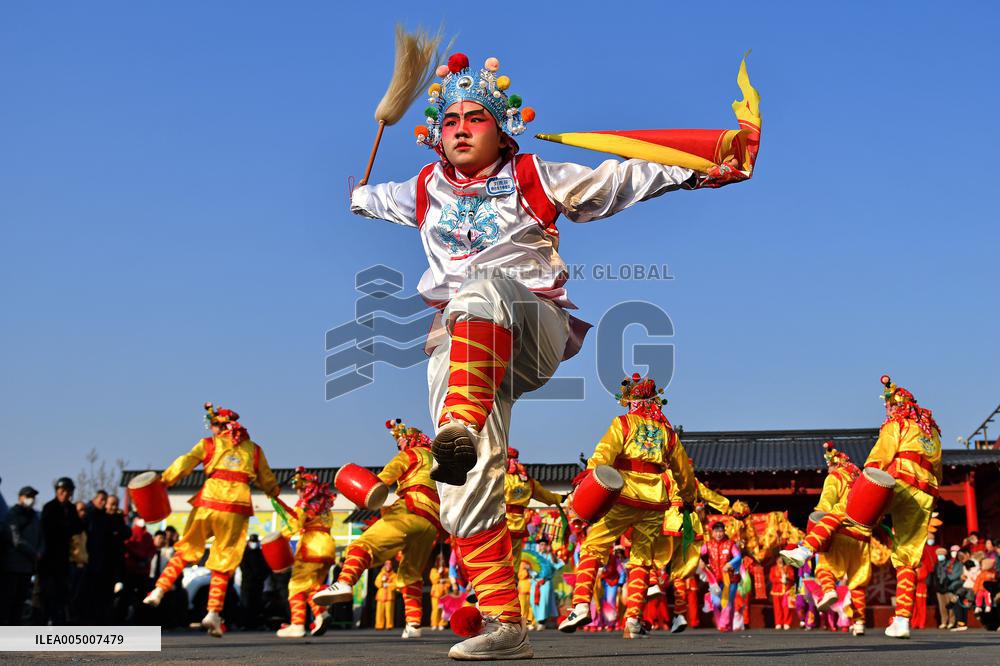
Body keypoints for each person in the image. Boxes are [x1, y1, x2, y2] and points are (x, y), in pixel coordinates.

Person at [348, 48, 747, 660]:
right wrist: (360, 195)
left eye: (475, 118)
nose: (460, 129)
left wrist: (697, 167)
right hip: (460, 346)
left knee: (482, 286)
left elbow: (616, 179)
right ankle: (506, 628)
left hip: (530, 324)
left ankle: (460, 424)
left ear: (500, 128)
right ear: (435, 135)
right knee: (460, 488)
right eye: (450, 121)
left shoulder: (534, 174)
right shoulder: (422, 187)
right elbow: (371, 198)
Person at [782, 376, 942, 639]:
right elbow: (938, 469)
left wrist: (865, 485)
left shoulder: (898, 423)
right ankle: (902, 620)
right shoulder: (932, 432)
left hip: (899, 481)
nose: (887, 410)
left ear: (896, 405)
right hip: (925, 494)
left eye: (888, 405)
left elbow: (879, 457)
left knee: (842, 511)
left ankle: (805, 549)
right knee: (907, 556)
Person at [560, 375, 696, 639]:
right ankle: (633, 619)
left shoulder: (623, 423)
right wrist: (689, 498)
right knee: (642, 558)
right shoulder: (667, 432)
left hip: (623, 496)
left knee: (593, 547)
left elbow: (603, 454)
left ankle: (580, 606)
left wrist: (588, 479)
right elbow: (684, 472)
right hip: (655, 500)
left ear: (631, 400)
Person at [142, 403, 282, 637]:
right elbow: (267, 480)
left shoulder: (209, 444)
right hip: (235, 508)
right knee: (224, 560)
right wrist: (274, 491)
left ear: (222, 426)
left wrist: (164, 480)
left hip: (208, 502)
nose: (211, 429)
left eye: (214, 425)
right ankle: (213, 612)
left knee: (187, 548)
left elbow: (185, 462)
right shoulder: (254, 450)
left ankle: (159, 590)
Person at [313, 419, 440, 640]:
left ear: (409, 440)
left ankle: (344, 582)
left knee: (362, 545)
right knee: (410, 573)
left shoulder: (410, 455)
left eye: (400, 442)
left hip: (409, 511)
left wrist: (365, 489)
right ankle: (413, 624)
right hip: (432, 524)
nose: (399, 446)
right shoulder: (438, 462)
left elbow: (379, 481)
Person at [276, 469, 337, 638]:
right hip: (328, 548)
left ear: (304, 488)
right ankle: (321, 613)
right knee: (312, 586)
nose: (297, 492)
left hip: (311, 548)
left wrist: (280, 538)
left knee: (296, 585)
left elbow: (294, 524)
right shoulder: (324, 505)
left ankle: (297, 625)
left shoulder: (305, 503)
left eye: (298, 488)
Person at [504, 447, 564, 572]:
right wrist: (560, 498)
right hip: (517, 525)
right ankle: (513, 580)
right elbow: (546, 495)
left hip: (498, 523)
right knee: (514, 559)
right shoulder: (527, 482)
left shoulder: (497, 477)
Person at [39, 477, 85, 625]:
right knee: (46, 593)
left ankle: (58, 623)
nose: (65, 494)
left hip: (64, 559)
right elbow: (47, 531)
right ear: (57, 491)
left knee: (62, 594)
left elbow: (77, 528)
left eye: (68, 491)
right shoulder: (49, 507)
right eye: (62, 491)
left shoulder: (71, 509)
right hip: (48, 558)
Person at [2, 486, 42, 625]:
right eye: (28, 496)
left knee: (20, 602)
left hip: (27, 567)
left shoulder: (35, 517)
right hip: (13, 566)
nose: (31, 499)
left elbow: (41, 536)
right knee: (9, 602)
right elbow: (16, 540)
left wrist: (40, 551)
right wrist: (34, 553)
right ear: (20, 498)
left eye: (33, 497)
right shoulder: (12, 515)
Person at [701, 521, 742, 632]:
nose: (718, 534)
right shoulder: (708, 545)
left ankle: (724, 624)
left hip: (730, 579)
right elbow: (697, 554)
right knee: (716, 603)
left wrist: (729, 564)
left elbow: (738, 557)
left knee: (727, 601)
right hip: (714, 579)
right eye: (716, 531)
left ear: (724, 532)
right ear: (712, 533)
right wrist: (700, 562)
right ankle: (724, 623)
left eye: (720, 531)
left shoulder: (730, 544)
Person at [769, 559, 795, 630]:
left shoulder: (789, 568)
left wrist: (787, 578)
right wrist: (779, 580)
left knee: (787, 608)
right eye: (779, 560)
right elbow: (771, 578)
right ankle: (778, 623)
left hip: (787, 591)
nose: (780, 561)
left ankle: (787, 623)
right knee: (777, 608)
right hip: (777, 591)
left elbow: (792, 577)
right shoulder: (773, 568)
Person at [375, 560, 397, 630]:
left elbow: (396, 584)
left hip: (389, 595)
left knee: (389, 612)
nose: (388, 566)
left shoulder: (394, 575)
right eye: (387, 564)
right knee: (379, 612)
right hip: (381, 596)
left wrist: (388, 585)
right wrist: (382, 582)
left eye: (389, 564)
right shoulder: (381, 574)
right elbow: (376, 583)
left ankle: (389, 625)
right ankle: (379, 625)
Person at [430, 553, 450, 631]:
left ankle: (442, 623)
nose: (441, 561)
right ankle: (434, 623)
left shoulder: (447, 570)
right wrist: (439, 573)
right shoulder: (433, 570)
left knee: (444, 609)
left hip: (444, 592)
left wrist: (444, 580)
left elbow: (450, 581)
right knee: (435, 609)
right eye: (440, 560)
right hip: (435, 592)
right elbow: (433, 580)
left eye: (442, 560)